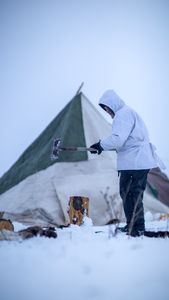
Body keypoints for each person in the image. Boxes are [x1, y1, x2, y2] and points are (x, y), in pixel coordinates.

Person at [90, 89, 164, 237]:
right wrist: (102, 146)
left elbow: (118, 139)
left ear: (112, 104)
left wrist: (100, 145)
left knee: (133, 194)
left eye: (107, 108)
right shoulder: (126, 113)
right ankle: (132, 225)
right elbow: (125, 142)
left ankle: (138, 227)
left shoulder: (123, 114)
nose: (107, 112)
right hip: (133, 162)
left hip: (136, 162)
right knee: (127, 193)